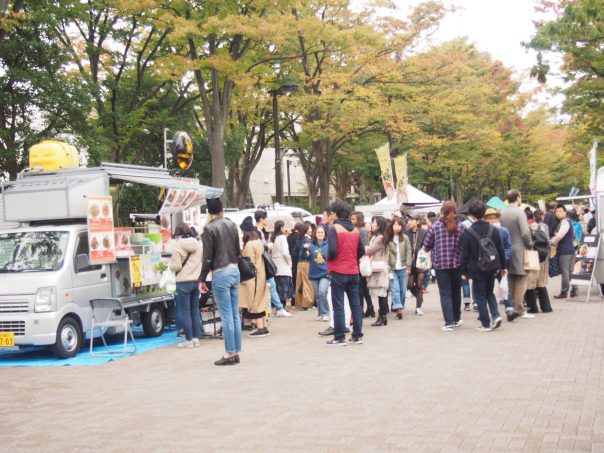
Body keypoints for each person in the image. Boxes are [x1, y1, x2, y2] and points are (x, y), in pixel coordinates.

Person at [199, 197, 242, 366]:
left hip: (220, 272)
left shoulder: (209, 229)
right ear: (222, 209)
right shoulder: (232, 225)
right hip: (234, 270)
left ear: (209, 212)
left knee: (226, 316)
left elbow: (207, 257)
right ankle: (236, 350)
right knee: (234, 314)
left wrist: (202, 279)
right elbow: (238, 250)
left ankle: (229, 353)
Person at [461, 201, 507, 332]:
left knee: (480, 295)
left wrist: (463, 271)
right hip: (492, 267)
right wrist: (504, 266)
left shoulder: (469, 232)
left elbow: (465, 254)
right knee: (489, 293)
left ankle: (485, 324)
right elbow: (500, 249)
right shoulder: (494, 229)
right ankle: (496, 315)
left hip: (477, 268)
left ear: (472, 215)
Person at [325, 200, 365, 346]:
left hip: (338, 271)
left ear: (334, 213)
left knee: (338, 304)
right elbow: (361, 251)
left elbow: (332, 250)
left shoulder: (334, 228)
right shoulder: (355, 230)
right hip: (354, 271)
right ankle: (357, 335)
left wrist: (329, 258)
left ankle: (340, 336)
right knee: (355, 304)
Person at [422, 201, 465, 331]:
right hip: (457, 265)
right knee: (456, 292)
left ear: (442, 212)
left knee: (445, 294)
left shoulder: (435, 227)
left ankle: (449, 322)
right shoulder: (462, 227)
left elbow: (426, 245)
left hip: (441, 266)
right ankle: (457, 319)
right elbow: (465, 246)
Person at [500, 190, 534, 320]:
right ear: (518, 198)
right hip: (520, 248)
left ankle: (512, 306)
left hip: (506, 249)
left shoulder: (502, 213)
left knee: (511, 278)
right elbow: (525, 232)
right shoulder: (520, 213)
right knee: (521, 278)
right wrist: (530, 244)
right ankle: (519, 309)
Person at [254, 210, 292, 318]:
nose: (266, 220)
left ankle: (276, 308)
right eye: (265, 218)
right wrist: (267, 247)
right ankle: (278, 308)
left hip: (267, 264)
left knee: (272, 286)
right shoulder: (258, 232)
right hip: (263, 264)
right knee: (272, 287)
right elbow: (259, 248)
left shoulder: (269, 235)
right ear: (261, 219)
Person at [170, 225, 203, 348]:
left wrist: (170, 266)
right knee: (195, 310)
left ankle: (188, 340)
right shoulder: (198, 243)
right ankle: (195, 339)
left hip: (183, 281)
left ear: (178, 234)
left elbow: (177, 266)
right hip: (196, 280)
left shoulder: (177, 246)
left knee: (185, 312)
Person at [239, 216, 271, 338]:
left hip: (253, 277)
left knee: (255, 302)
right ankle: (264, 327)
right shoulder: (258, 241)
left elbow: (248, 263)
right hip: (261, 274)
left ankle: (260, 328)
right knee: (261, 301)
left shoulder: (249, 245)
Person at [484, 208, 517, 320]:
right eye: (489, 218)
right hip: (487, 264)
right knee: (487, 288)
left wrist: (504, 258)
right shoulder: (484, 231)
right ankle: (487, 311)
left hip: (501, 263)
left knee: (504, 285)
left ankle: (509, 309)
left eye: (494, 217)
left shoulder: (503, 231)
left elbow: (508, 247)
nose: (492, 220)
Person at [365, 216, 391, 326]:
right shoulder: (381, 237)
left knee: (382, 293)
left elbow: (369, 250)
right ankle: (383, 316)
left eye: (374, 223)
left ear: (379, 225)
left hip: (379, 268)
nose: (372, 224)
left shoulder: (379, 238)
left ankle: (382, 316)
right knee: (382, 293)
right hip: (382, 267)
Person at [386, 216, 412, 319]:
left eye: (399, 225)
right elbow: (386, 254)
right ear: (392, 226)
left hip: (403, 267)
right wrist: (387, 269)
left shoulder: (405, 238)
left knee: (402, 290)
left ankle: (399, 305)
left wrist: (408, 267)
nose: (396, 227)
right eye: (395, 224)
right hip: (392, 268)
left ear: (402, 227)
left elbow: (409, 252)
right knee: (395, 289)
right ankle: (398, 308)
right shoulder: (388, 238)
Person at [351, 211, 374, 318]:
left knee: (361, 287)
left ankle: (362, 309)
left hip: (360, 261)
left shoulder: (362, 230)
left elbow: (365, 247)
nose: (351, 221)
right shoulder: (352, 230)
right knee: (363, 287)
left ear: (359, 220)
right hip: (355, 261)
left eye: (353, 219)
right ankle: (370, 308)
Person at [551, 204, 577, 298]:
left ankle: (564, 292)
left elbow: (560, 235)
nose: (558, 213)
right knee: (570, 271)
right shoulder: (568, 221)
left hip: (565, 250)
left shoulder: (565, 222)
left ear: (565, 212)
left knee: (565, 272)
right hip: (571, 249)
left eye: (560, 211)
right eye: (557, 211)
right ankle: (574, 290)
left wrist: (552, 241)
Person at [530, 210, 553, 312]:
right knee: (541, 282)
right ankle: (546, 307)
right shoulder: (544, 227)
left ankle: (533, 308)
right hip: (543, 257)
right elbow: (548, 242)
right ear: (542, 217)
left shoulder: (529, 228)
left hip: (532, 256)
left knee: (531, 282)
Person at [305, 224, 329, 321]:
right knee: (317, 296)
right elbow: (304, 258)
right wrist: (304, 249)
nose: (320, 234)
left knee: (322, 292)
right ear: (315, 233)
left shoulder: (328, 244)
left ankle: (325, 313)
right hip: (314, 274)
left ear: (325, 234)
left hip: (325, 273)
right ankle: (320, 313)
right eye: (318, 232)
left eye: (322, 232)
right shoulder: (310, 245)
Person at [405, 213, 427, 316]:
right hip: (410, 263)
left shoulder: (424, 232)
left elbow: (428, 246)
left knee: (419, 285)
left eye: (412, 220)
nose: (409, 222)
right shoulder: (406, 233)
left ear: (417, 221)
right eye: (409, 220)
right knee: (409, 285)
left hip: (421, 262)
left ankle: (418, 307)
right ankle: (420, 297)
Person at [270, 220, 295, 307]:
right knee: (284, 290)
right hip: (283, 265)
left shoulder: (272, 237)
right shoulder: (282, 237)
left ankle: (277, 307)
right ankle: (281, 308)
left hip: (274, 265)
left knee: (276, 288)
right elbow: (285, 252)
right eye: (284, 227)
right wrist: (289, 261)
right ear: (281, 227)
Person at [295, 222, 315, 310]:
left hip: (299, 263)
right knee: (307, 283)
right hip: (306, 262)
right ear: (306, 230)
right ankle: (307, 304)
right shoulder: (307, 240)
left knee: (299, 283)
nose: (311, 230)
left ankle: (299, 303)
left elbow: (294, 252)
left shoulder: (299, 239)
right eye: (310, 228)